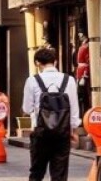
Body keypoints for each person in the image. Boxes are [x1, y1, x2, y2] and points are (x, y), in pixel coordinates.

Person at [22, 47, 80, 181]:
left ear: (37, 63)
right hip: (62, 133)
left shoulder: (32, 80)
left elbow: (27, 108)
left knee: (37, 173)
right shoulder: (69, 80)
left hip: (41, 133)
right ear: (56, 61)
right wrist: (74, 131)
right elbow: (74, 108)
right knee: (59, 175)